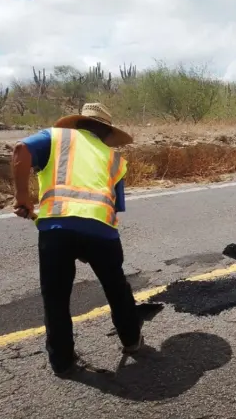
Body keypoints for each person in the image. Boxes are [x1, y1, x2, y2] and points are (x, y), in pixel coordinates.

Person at [11, 103, 143, 377]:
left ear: (77, 124)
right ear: (106, 133)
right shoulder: (115, 159)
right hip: (102, 232)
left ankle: (62, 361)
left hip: (56, 230)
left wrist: (22, 197)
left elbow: (20, 150)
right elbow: (114, 206)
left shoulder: (55, 137)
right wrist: (88, 241)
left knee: (56, 297)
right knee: (116, 287)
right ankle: (132, 341)